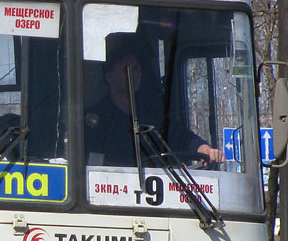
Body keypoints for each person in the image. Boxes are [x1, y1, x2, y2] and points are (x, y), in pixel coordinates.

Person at [85, 35, 223, 167]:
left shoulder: (153, 114)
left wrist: (206, 150)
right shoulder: (95, 119)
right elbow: (91, 163)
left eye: (137, 69)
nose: (135, 74)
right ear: (109, 76)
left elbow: (184, 138)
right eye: (127, 70)